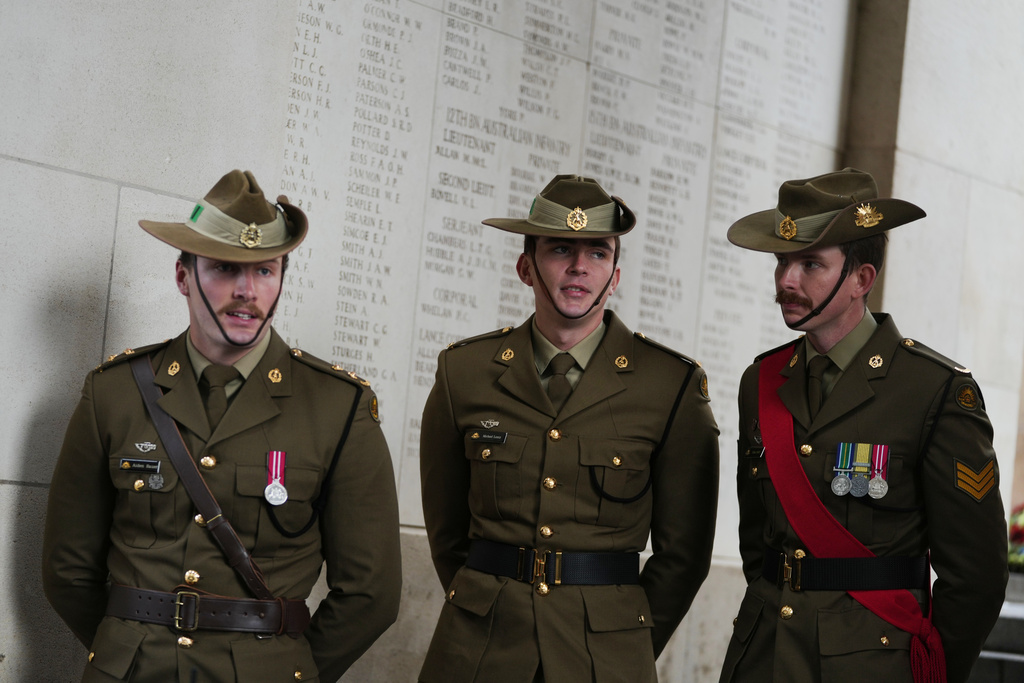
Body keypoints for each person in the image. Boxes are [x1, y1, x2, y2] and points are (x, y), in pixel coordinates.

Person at [42, 170, 402, 682]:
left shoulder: (338, 406)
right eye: (224, 269)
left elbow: (372, 595)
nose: (246, 291)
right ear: (183, 276)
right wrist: (126, 652)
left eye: (265, 271)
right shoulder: (113, 393)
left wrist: (285, 669)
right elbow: (67, 572)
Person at [418, 174, 720, 682]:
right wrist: (486, 603)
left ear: (616, 275)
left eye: (598, 253)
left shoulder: (669, 386)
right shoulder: (463, 373)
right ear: (526, 267)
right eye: (561, 249)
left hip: (606, 658)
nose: (580, 267)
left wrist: (625, 642)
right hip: (479, 651)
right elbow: (447, 533)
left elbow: (684, 556)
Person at [719, 168, 1007, 683]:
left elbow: (976, 576)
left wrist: (931, 673)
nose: (787, 279)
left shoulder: (933, 391)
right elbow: (756, 543)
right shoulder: (760, 381)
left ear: (861, 279)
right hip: (762, 658)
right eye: (783, 261)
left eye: (811, 264)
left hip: (873, 666)